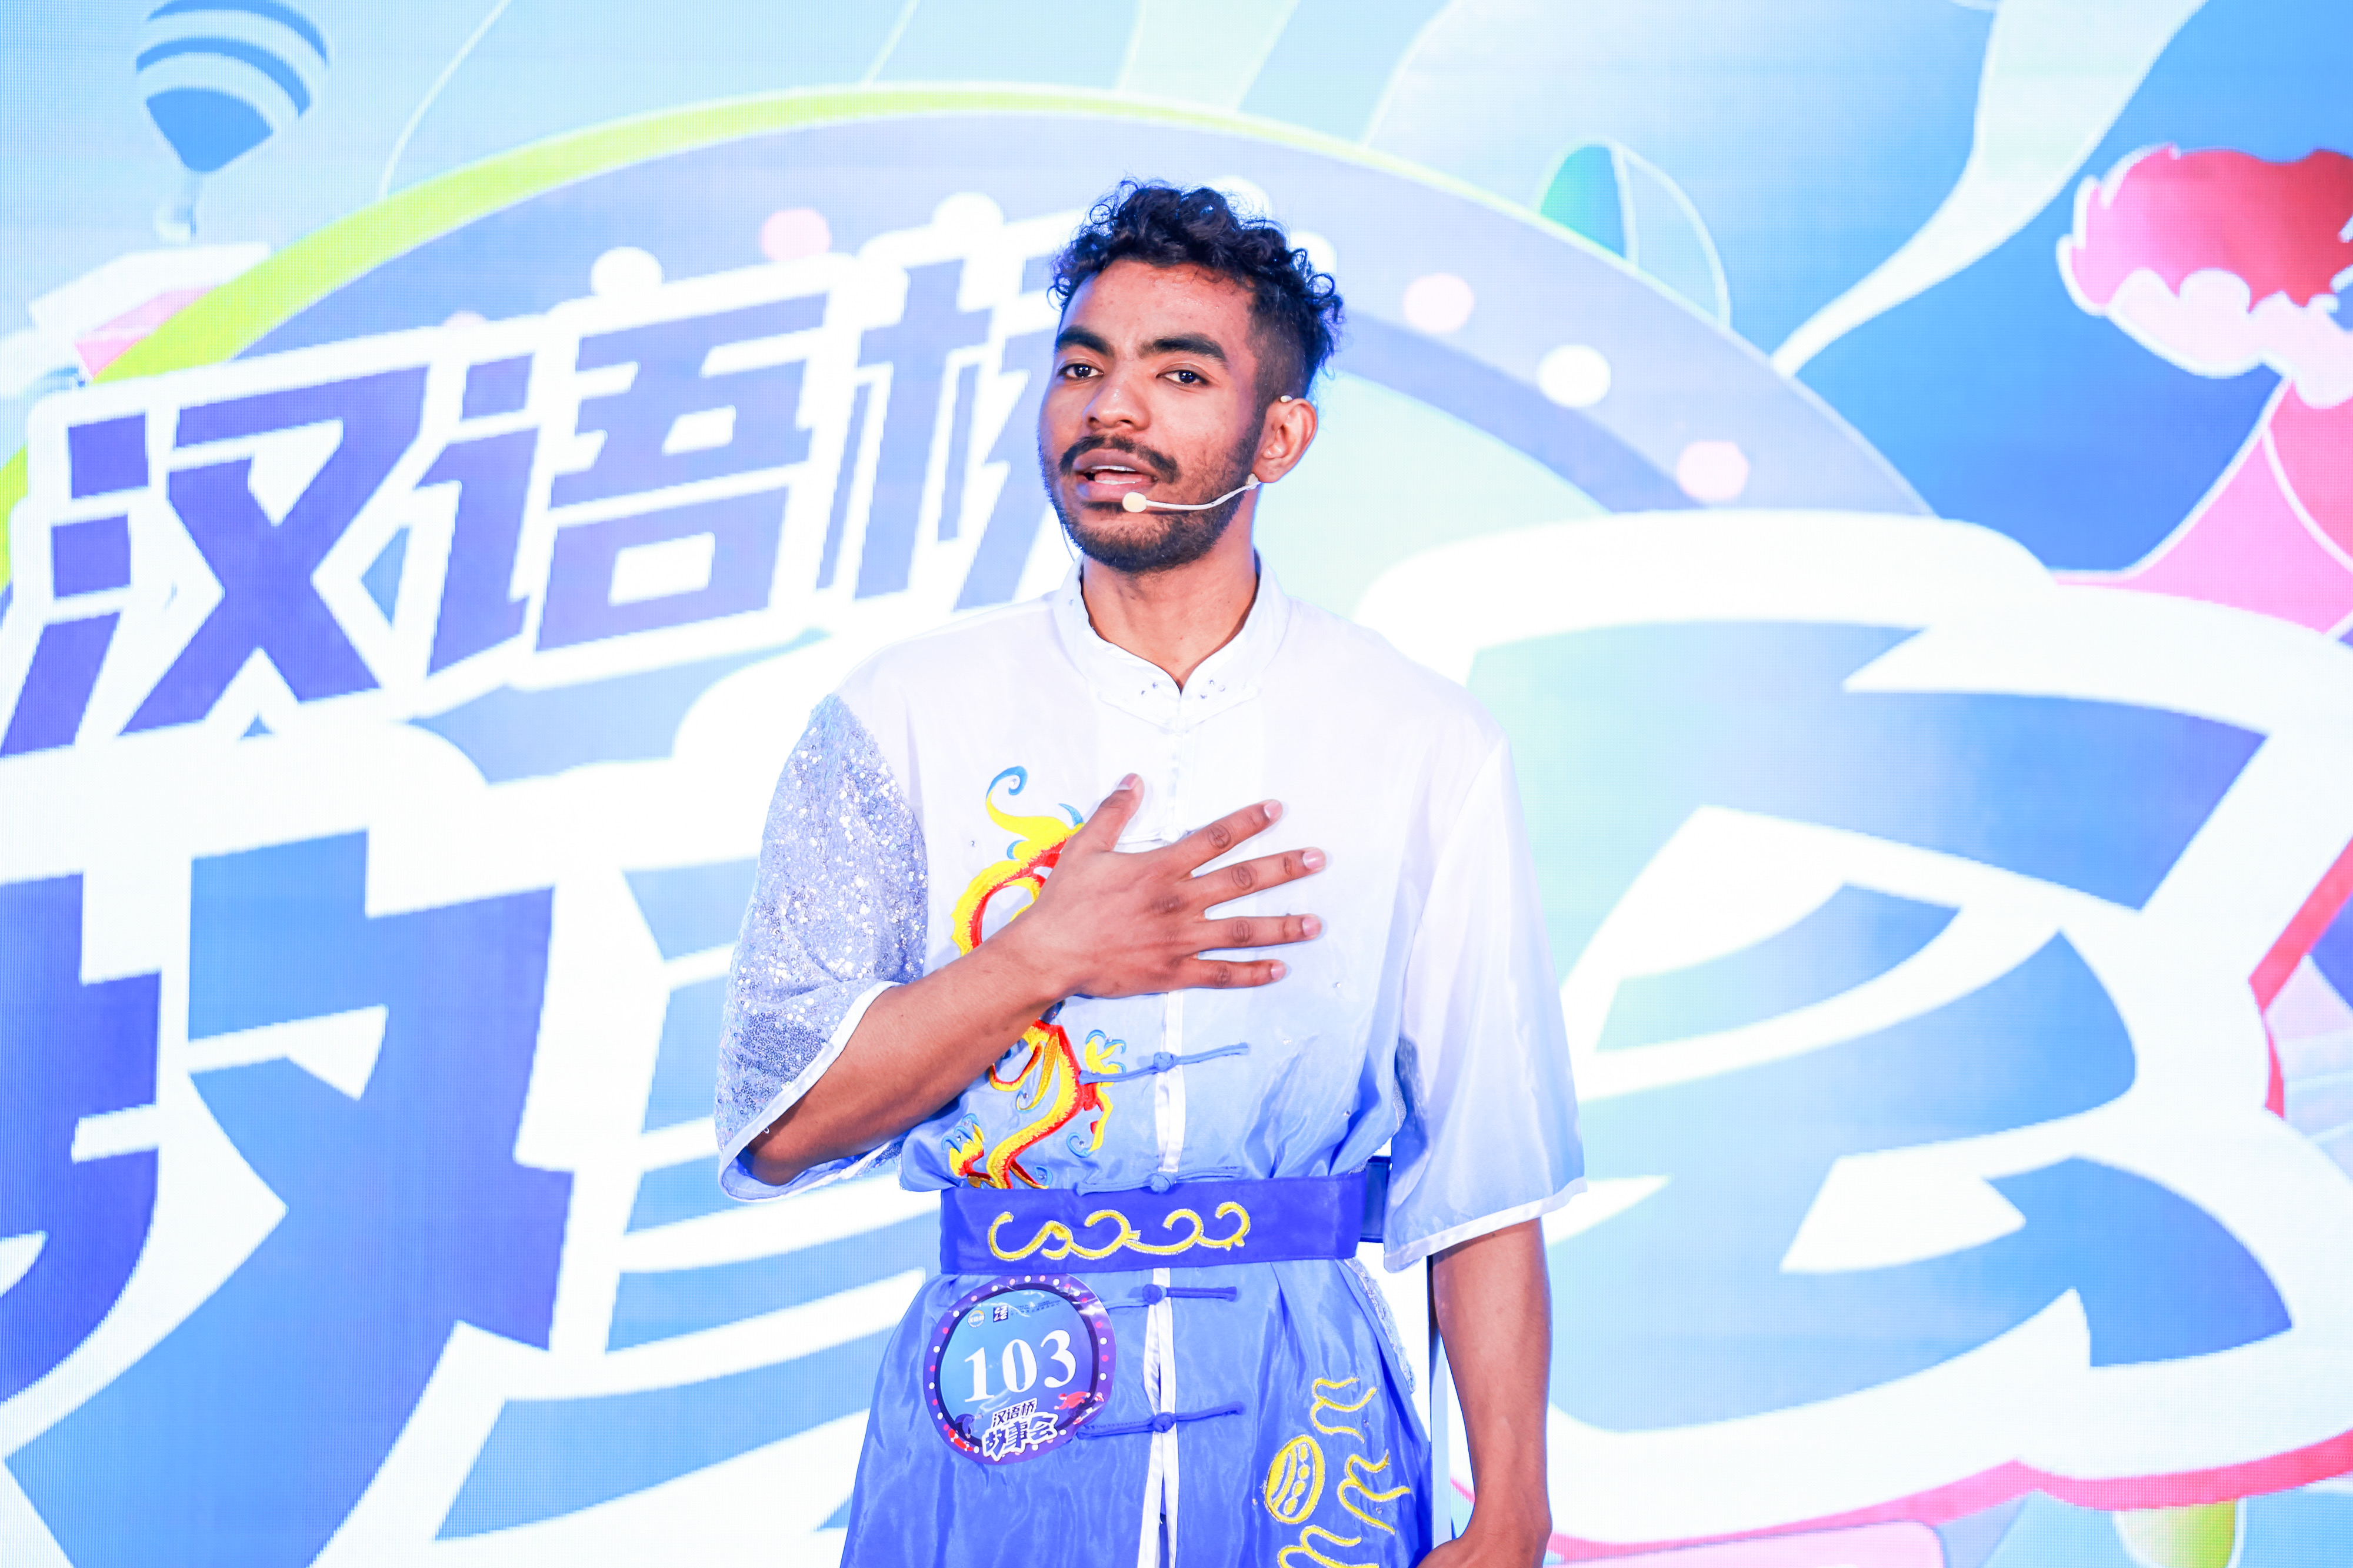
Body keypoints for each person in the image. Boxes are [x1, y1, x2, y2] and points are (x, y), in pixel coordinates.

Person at [715, 181, 1584, 1567]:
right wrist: (1039, 959)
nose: (1108, 410)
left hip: (1315, 1426)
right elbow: (780, 1122)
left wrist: (1513, 1512)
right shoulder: (899, 715)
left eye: (1178, 375)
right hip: (994, 1410)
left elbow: (1480, 1166)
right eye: (1080, 367)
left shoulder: (1422, 740)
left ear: (1279, 434)